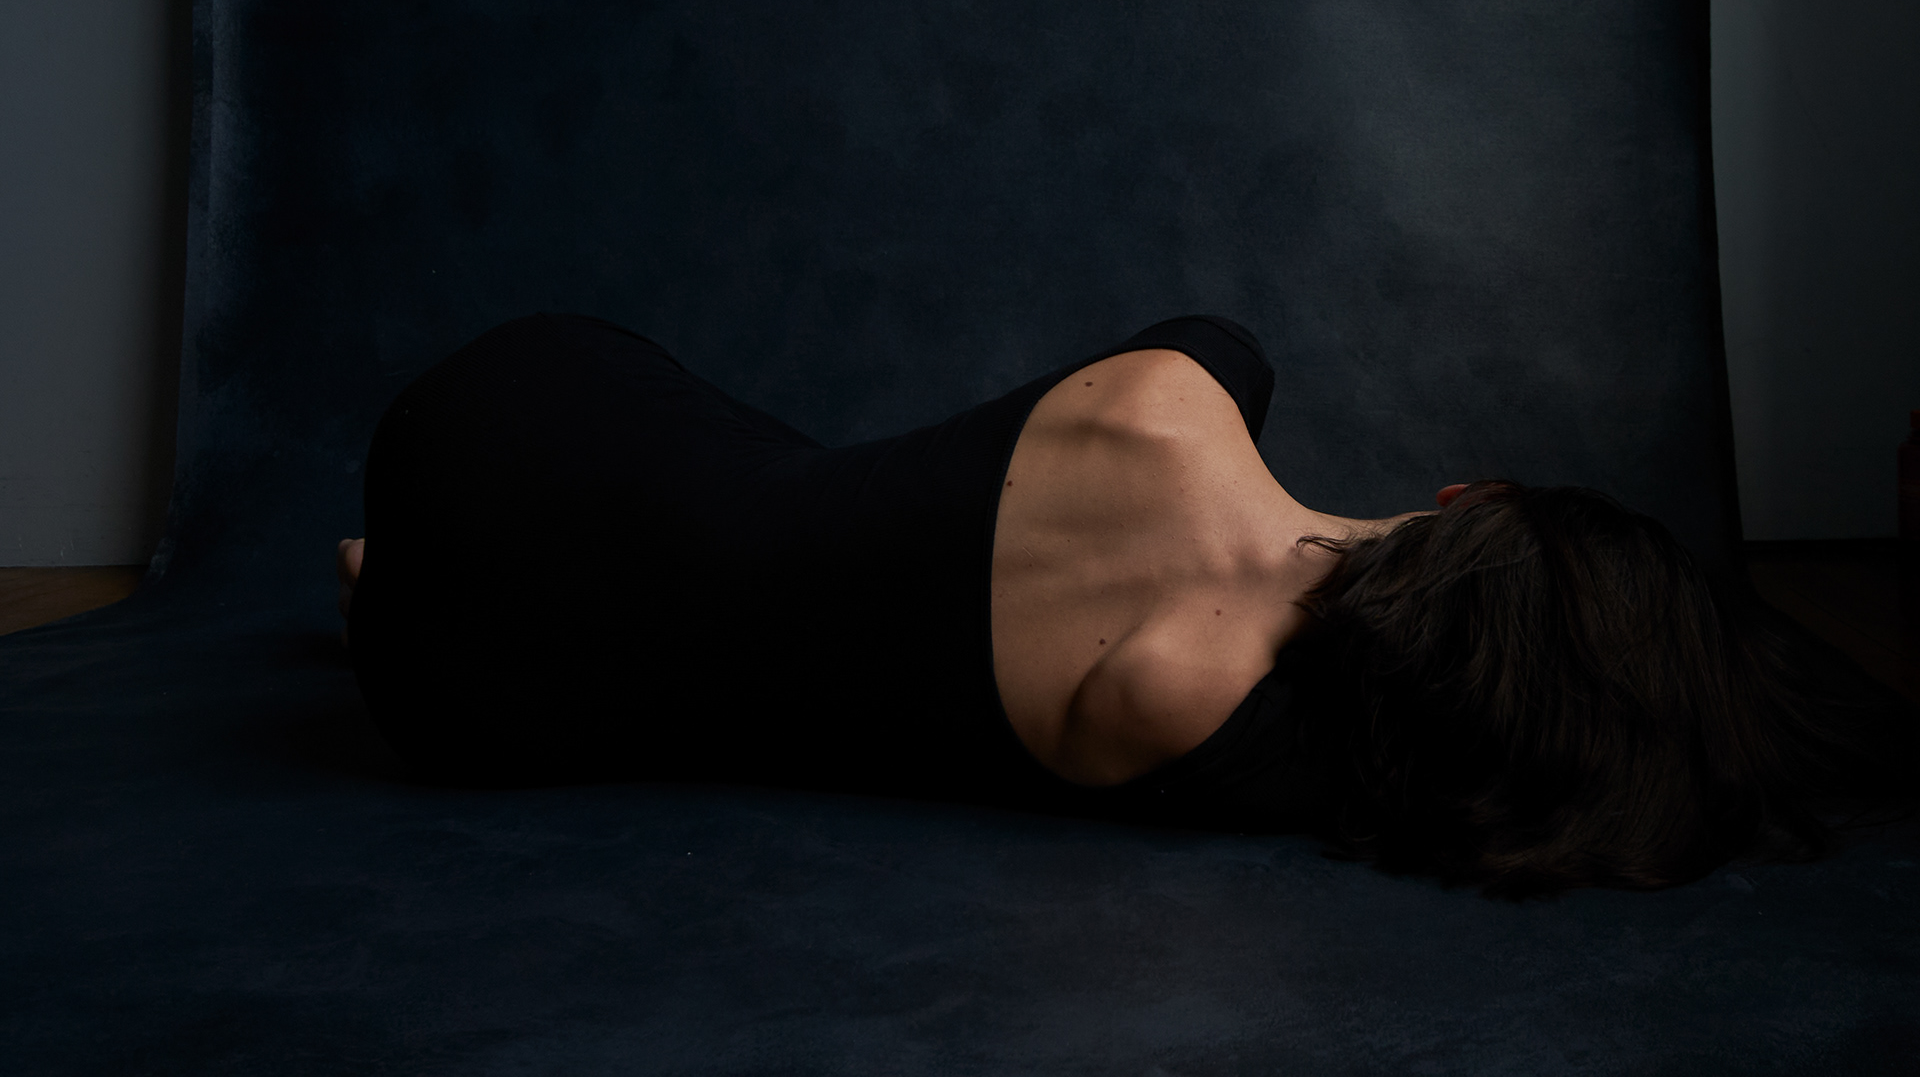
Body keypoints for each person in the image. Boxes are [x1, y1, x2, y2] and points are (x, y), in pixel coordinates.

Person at [338, 313, 1911, 896]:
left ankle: (421, 562)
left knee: (740, 493)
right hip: (474, 713)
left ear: (1467, 500)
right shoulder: (1219, 740)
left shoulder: (1187, 385)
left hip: (516, 409)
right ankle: (393, 591)